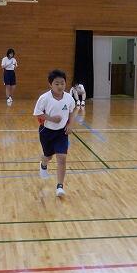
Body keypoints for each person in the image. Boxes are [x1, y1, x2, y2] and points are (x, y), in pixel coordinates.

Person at [33, 69, 76, 197]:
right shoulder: (44, 98)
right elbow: (38, 113)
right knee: (48, 156)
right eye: (57, 83)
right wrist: (51, 119)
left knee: (62, 158)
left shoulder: (69, 98)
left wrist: (70, 125)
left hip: (62, 133)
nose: (60, 86)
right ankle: (43, 164)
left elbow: (72, 112)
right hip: (46, 131)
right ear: (50, 84)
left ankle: (60, 186)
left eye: (62, 83)